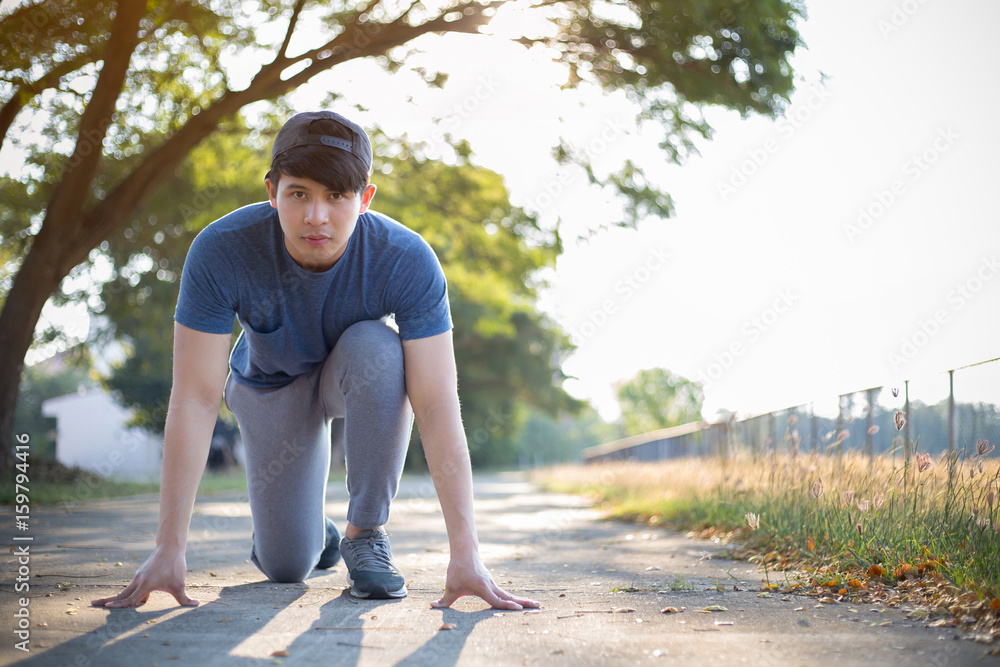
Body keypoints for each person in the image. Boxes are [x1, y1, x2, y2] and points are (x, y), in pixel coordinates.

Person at [92, 111, 539, 611]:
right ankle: (313, 529)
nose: (316, 217)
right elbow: (195, 397)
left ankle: (365, 531)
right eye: (299, 194)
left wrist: (467, 553)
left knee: (380, 347)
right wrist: (168, 547)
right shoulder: (221, 250)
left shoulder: (406, 259)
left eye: (337, 197)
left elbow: (435, 403)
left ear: (365, 198)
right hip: (269, 388)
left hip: (357, 370)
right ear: (271, 191)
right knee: (287, 566)